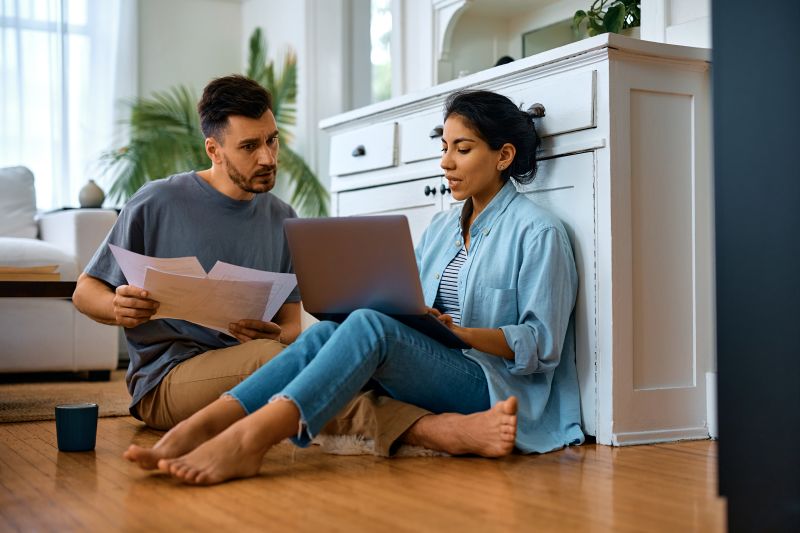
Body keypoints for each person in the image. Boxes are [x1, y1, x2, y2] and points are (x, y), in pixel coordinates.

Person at [125, 89, 585, 485]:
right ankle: (203, 426)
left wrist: (461, 334)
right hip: (441, 365)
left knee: (371, 326)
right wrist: (414, 316)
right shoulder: (442, 229)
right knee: (328, 332)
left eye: (461, 150)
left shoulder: (539, 232)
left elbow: (542, 346)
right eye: (444, 147)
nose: (445, 162)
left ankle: (249, 439)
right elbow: (412, 305)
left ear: (503, 156)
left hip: (496, 385)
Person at [74, 75, 516, 459]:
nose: (268, 158)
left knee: (317, 352)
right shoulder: (157, 202)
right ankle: (432, 431)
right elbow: (84, 291)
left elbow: (289, 327)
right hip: (166, 380)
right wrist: (117, 306)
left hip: (249, 359)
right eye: (249, 146)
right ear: (214, 149)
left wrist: (274, 332)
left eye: (272, 140)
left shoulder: (283, 218)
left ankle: (423, 429)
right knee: (279, 362)